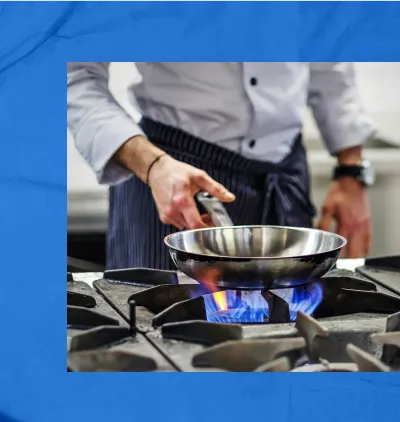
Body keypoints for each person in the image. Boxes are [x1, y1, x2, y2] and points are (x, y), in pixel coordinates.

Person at [67, 62, 376, 270]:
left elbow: (328, 49)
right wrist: (153, 164)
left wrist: (351, 170)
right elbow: (76, 76)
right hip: (169, 176)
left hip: (283, 178)